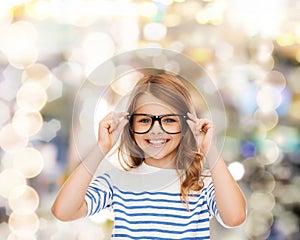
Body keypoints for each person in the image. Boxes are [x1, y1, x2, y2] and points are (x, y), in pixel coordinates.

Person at [52, 72, 246, 239]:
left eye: (169, 120)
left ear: (186, 125)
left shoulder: (202, 185)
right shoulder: (117, 182)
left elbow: (235, 217)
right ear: (131, 126)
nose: (156, 130)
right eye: (145, 120)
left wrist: (209, 149)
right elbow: (63, 211)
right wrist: (102, 147)